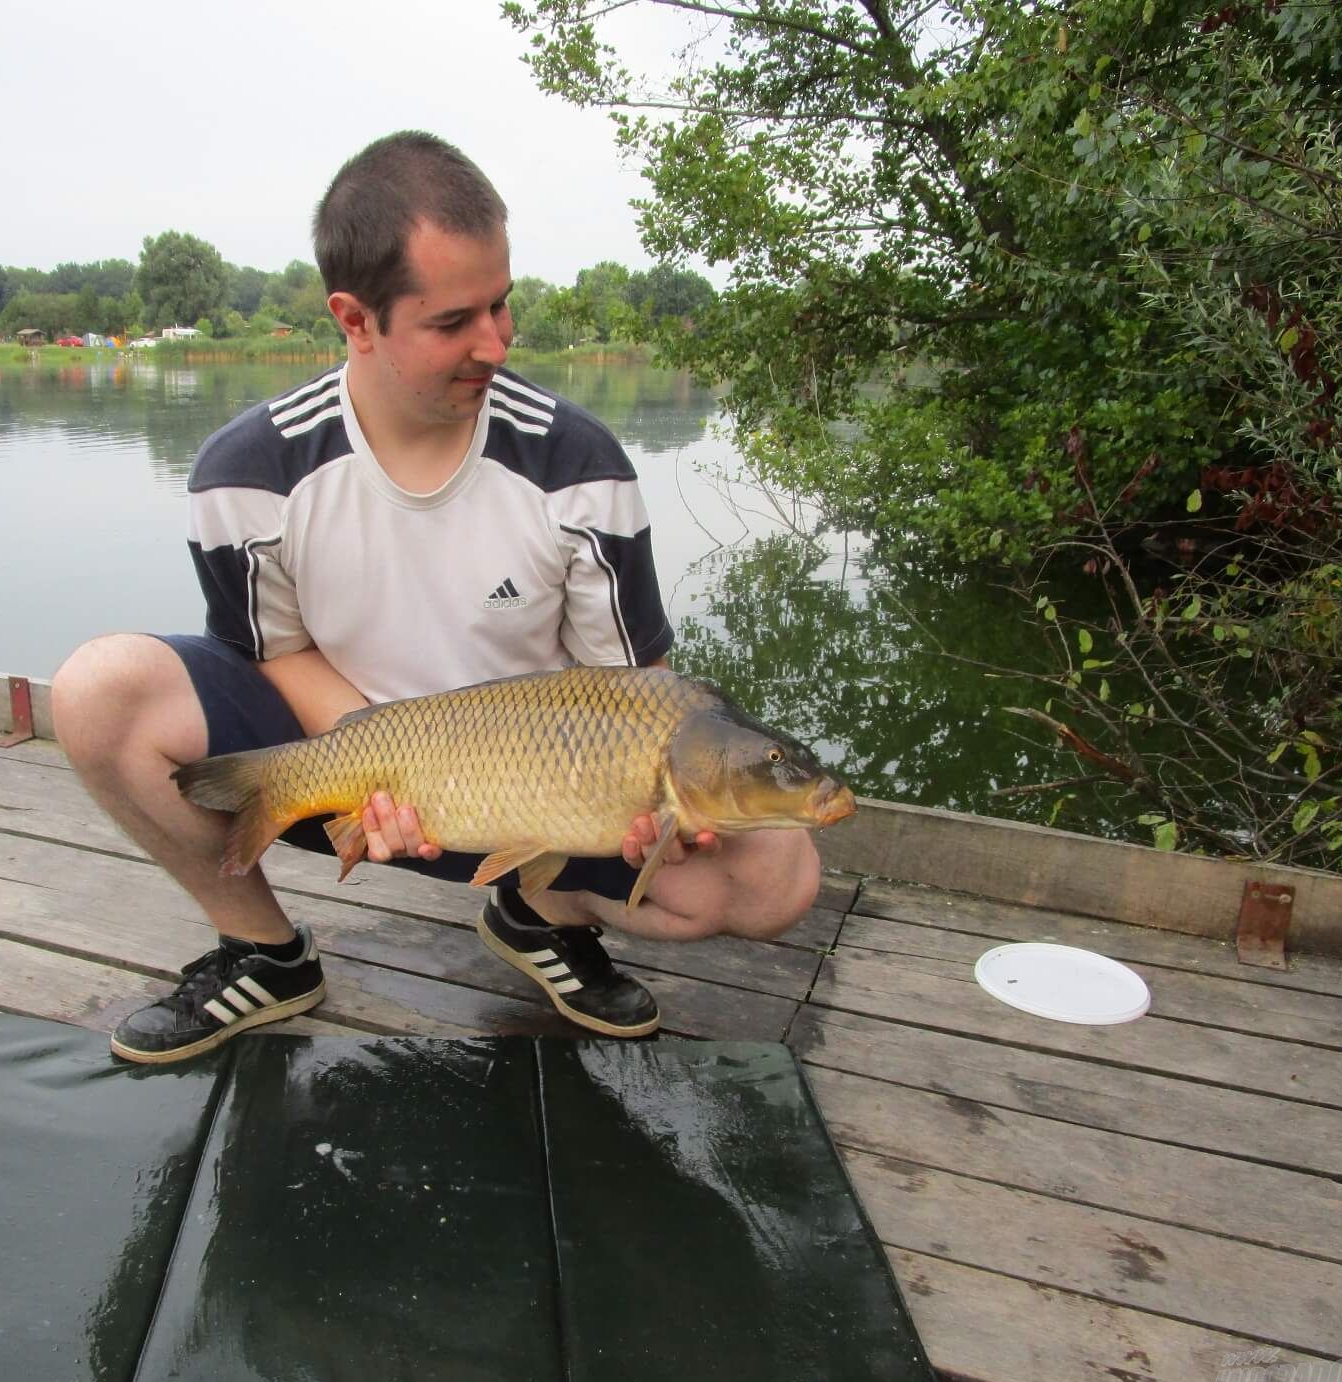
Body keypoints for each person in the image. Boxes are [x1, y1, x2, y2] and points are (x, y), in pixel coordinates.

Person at [52, 132, 822, 1064]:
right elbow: (272, 652)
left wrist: (654, 812)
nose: (494, 344)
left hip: (543, 777)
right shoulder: (244, 472)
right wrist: (378, 758)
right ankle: (264, 952)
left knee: (776, 876)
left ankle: (535, 912)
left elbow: (637, 689)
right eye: (455, 321)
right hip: (350, 752)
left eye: (503, 306)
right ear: (357, 318)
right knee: (99, 692)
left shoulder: (577, 464)